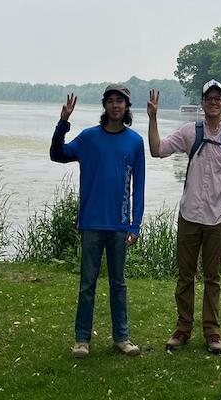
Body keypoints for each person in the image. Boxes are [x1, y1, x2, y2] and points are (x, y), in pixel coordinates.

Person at [147, 79, 221, 355]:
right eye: (208, 98)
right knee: (185, 276)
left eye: (218, 98)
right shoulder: (190, 132)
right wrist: (153, 118)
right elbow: (157, 150)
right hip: (190, 214)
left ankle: (212, 331)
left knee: (213, 278)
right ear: (202, 102)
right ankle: (183, 328)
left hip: (218, 217)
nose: (213, 102)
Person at [50, 84, 145, 359]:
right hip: (91, 222)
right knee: (87, 284)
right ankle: (82, 340)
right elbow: (57, 154)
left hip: (119, 224)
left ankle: (122, 338)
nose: (115, 106)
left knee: (119, 284)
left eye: (121, 101)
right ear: (104, 106)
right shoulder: (88, 138)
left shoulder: (135, 142)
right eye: (111, 101)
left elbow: (138, 186)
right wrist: (63, 122)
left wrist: (134, 224)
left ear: (127, 107)